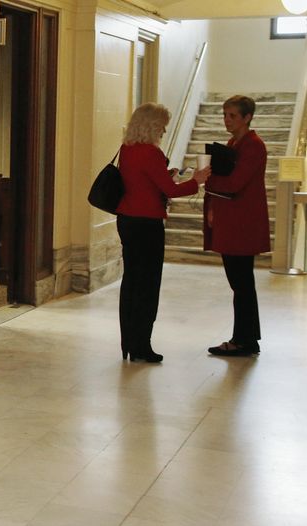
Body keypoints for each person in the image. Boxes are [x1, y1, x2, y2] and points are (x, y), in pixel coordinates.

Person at [116, 103, 211, 362]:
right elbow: (171, 191)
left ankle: (128, 342)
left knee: (131, 282)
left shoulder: (127, 149)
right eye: (162, 127)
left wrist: (167, 176)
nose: (164, 131)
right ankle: (142, 345)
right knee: (148, 285)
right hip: (147, 224)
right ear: (153, 126)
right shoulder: (151, 153)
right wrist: (197, 180)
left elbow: (145, 182)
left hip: (127, 220)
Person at [203, 95, 269, 357]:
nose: (226, 120)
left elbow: (234, 184)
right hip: (233, 221)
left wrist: (206, 180)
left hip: (242, 223)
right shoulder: (234, 142)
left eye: (232, 115)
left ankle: (243, 340)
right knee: (240, 284)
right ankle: (247, 338)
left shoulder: (253, 145)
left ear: (247, 117)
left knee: (241, 284)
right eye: (225, 114)